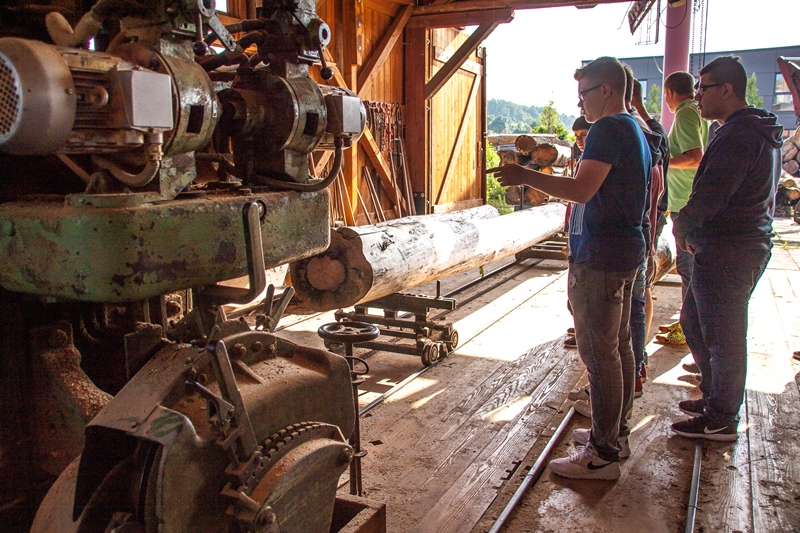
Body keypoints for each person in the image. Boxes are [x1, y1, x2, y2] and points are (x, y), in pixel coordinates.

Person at [488, 56, 650, 480]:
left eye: (585, 94)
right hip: (623, 249)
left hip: (602, 256)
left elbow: (581, 190)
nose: (581, 105)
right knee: (619, 348)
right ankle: (615, 433)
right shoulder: (634, 128)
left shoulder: (608, 129)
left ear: (608, 91)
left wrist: (524, 174)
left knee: (600, 356)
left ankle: (602, 454)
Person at [671, 56, 782, 440]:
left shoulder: (740, 135)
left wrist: (683, 223)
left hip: (730, 249)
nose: (697, 96)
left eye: (704, 88)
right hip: (734, 245)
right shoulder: (747, 130)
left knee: (723, 335)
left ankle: (721, 417)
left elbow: (712, 194)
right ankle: (716, 398)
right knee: (696, 322)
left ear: (727, 90)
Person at [657, 71, 709, 346]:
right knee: (689, 271)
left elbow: (694, 158)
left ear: (668, 93)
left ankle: (689, 332)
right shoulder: (694, 112)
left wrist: (663, 163)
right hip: (684, 202)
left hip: (686, 203)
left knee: (689, 272)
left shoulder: (687, 112)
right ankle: (687, 325)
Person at [563, 116, 591, 351]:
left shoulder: (593, 161)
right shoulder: (584, 159)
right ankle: (581, 331)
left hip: (586, 236)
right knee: (575, 292)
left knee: (581, 291)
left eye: (583, 135)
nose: (579, 141)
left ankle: (584, 335)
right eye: (576, 137)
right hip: (577, 232)